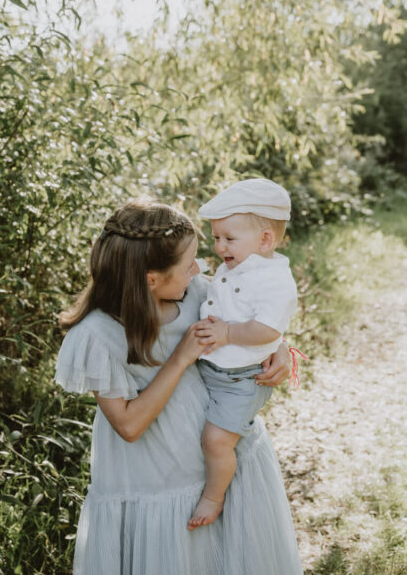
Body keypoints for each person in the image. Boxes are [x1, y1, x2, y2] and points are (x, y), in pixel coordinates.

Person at [54, 196, 302, 575]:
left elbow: (248, 320)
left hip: (223, 467)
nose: (200, 269)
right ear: (151, 279)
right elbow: (128, 425)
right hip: (157, 481)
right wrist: (181, 357)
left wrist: (281, 349)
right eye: (189, 265)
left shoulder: (196, 292)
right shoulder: (99, 335)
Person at [188, 178, 298, 530]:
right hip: (216, 371)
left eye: (228, 238)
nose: (220, 246)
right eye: (217, 237)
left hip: (241, 379)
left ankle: (214, 496)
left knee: (216, 440)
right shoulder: (236, 264)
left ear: (265, 239)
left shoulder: (274, 279)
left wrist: (228, 332)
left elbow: (268, 330)